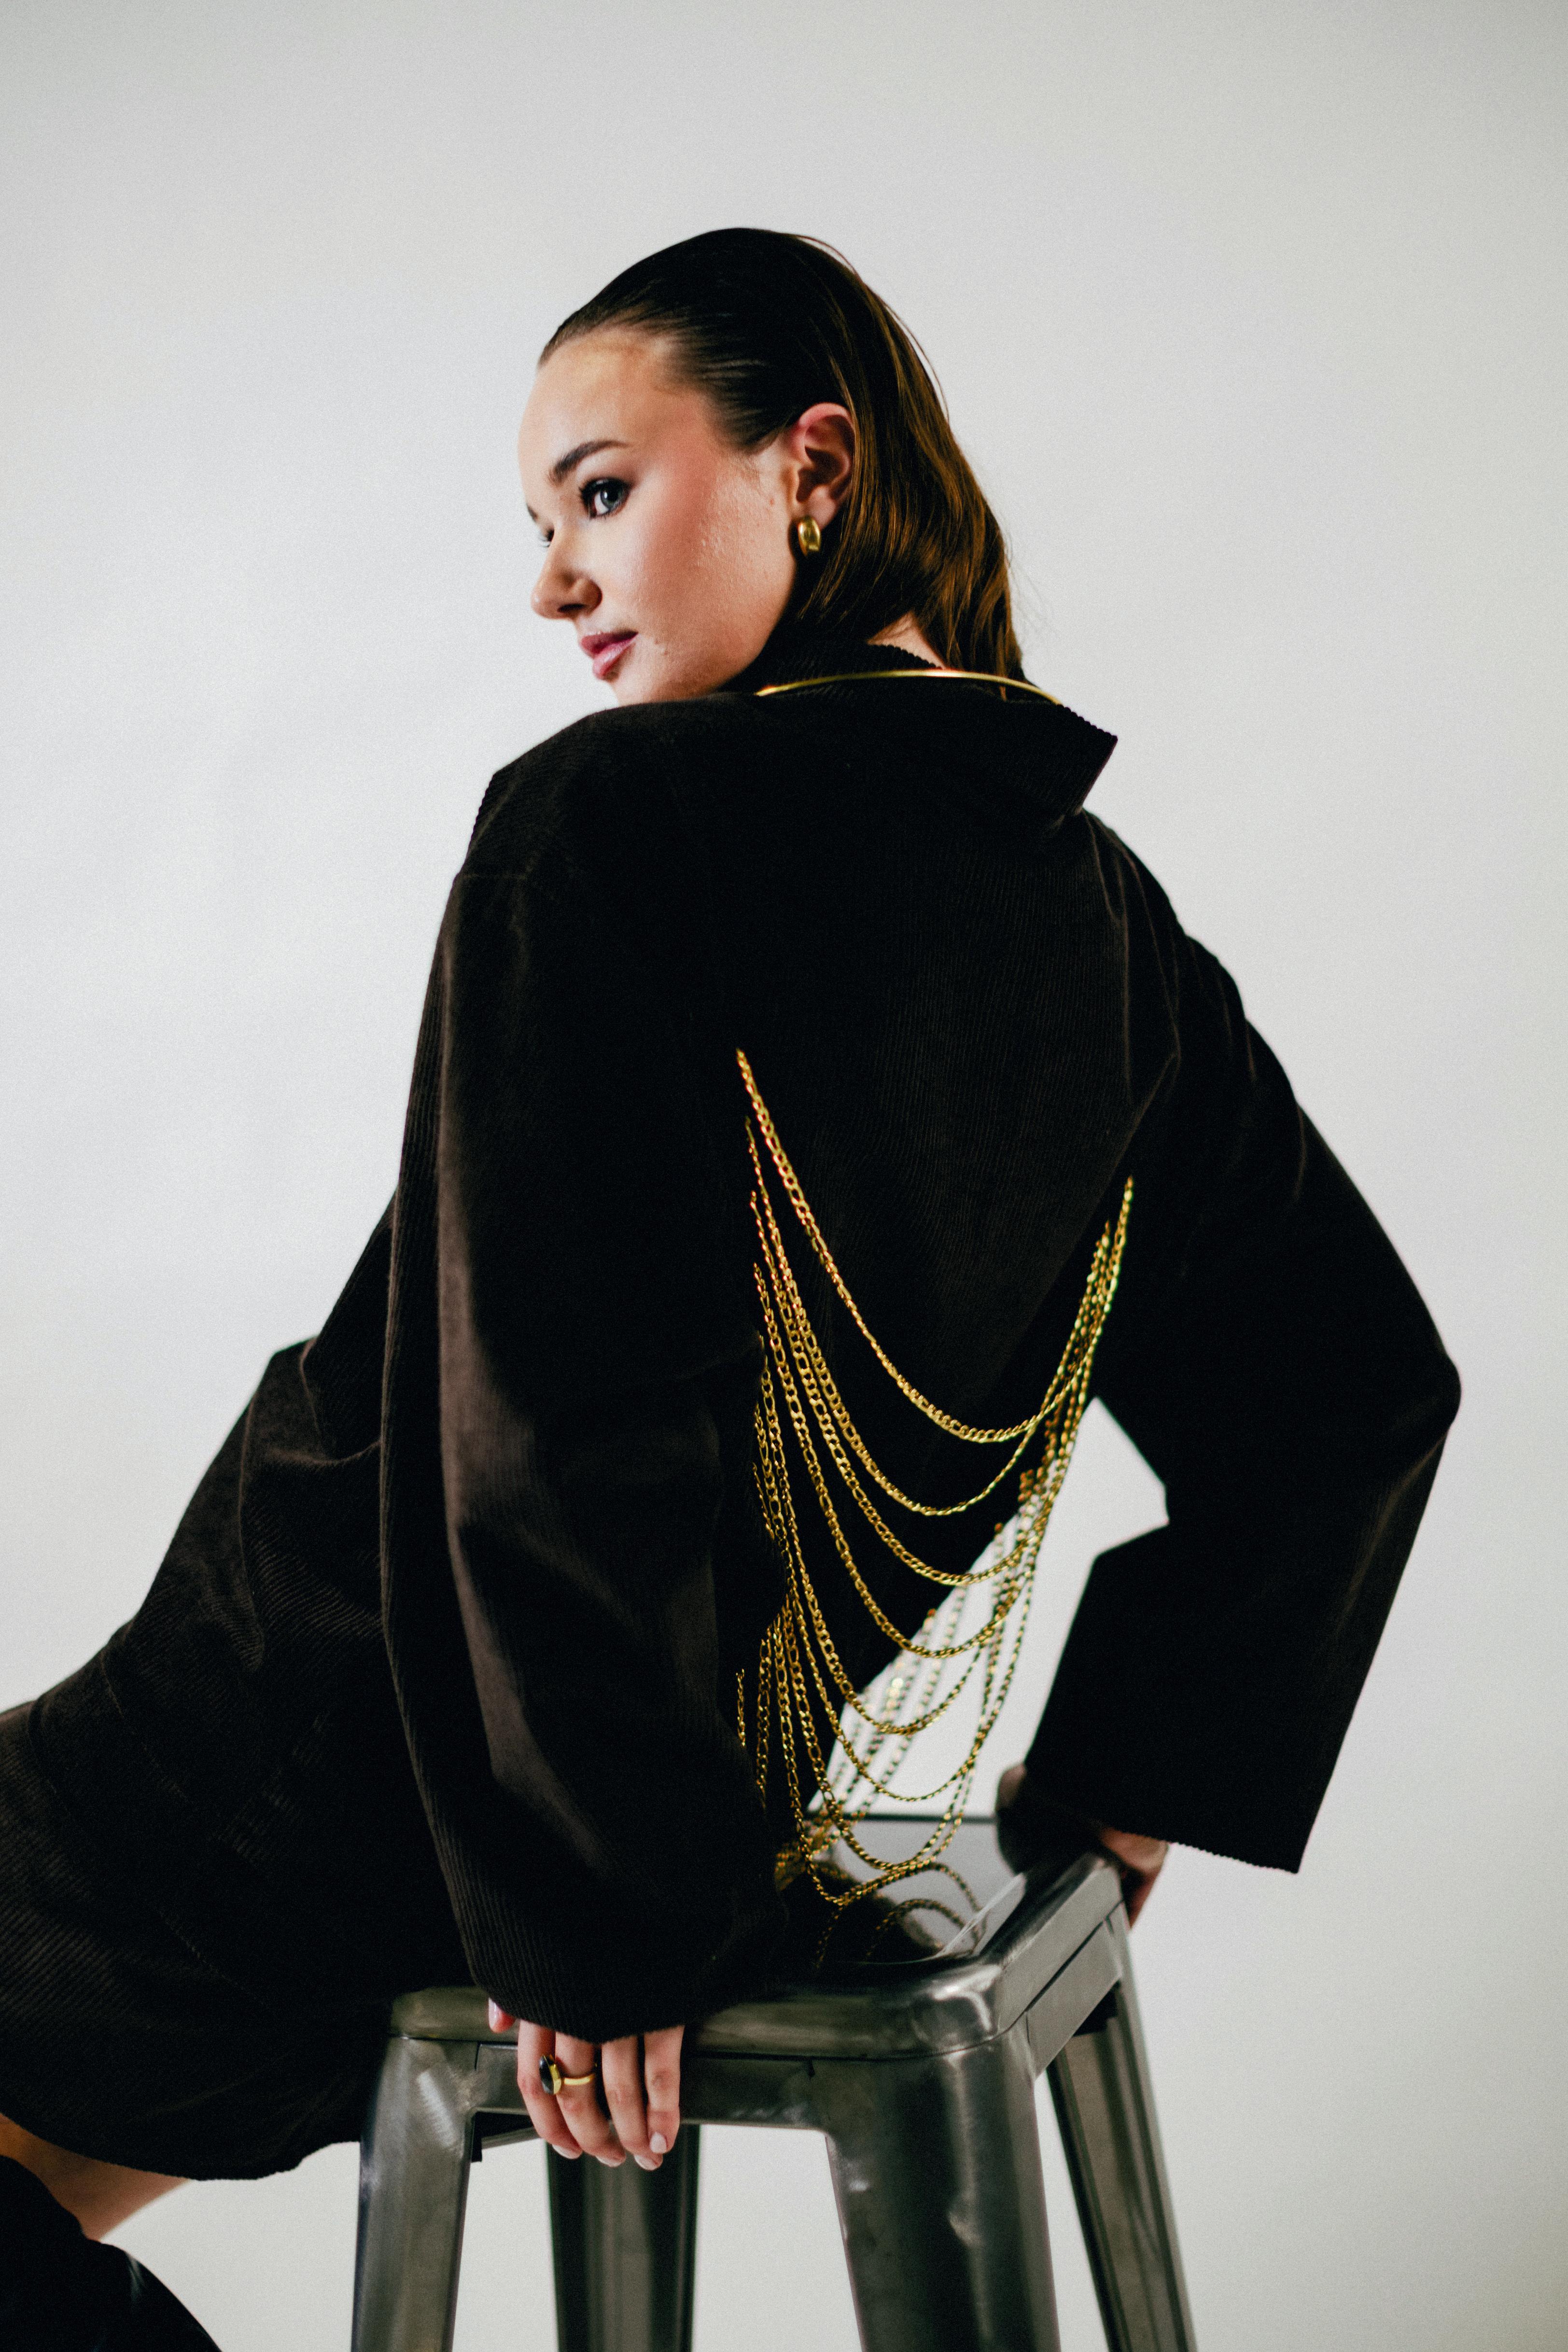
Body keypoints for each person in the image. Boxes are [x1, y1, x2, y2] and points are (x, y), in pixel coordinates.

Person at [0, 228, 1459, 2342]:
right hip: (600, 1816)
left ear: (814, 466)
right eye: (536, 526)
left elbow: (548, 1409)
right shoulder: (1109, 927)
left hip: (295, 1759)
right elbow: (1349, 1385)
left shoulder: (607, 818)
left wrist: (599, 1923)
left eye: (598, 491)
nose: (551, 583)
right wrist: (1131, 1785)